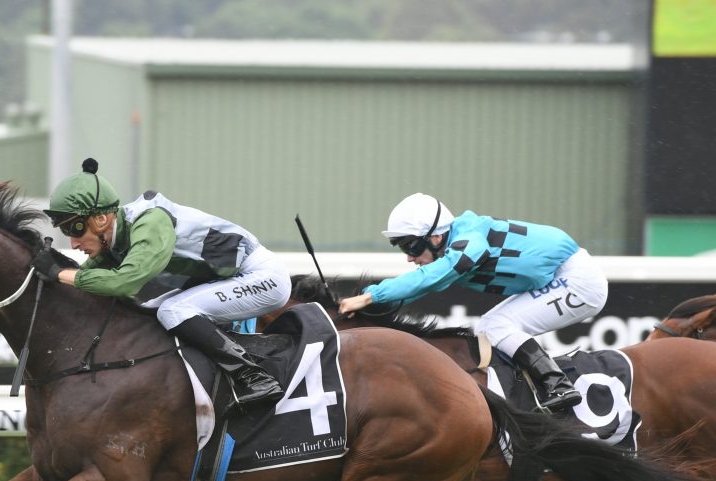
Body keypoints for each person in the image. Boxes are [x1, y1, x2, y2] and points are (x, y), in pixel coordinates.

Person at [33, 158, 290, 408]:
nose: (73, 243)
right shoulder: (116, 238)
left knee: (173, 310)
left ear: (101, 219)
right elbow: (87, 279)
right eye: (65, 232)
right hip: (229, 279)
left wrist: (58, 272)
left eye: (75, 229)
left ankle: (255, 378)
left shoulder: (150, 222)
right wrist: (48, 273)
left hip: (261, 277)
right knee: (150, 312)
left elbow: (123, 283)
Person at [338, 192, 609, 412]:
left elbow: (431, 277)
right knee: (489, 328)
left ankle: (558, 385)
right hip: (559, 278)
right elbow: (422, 285)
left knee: (497, 325)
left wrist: (371, 296)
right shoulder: (455, 243)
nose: (409, 257)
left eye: (411, 246)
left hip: (578, 280)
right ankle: (534, 389)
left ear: (436, 237)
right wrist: (366, 303)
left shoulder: (470, 240)